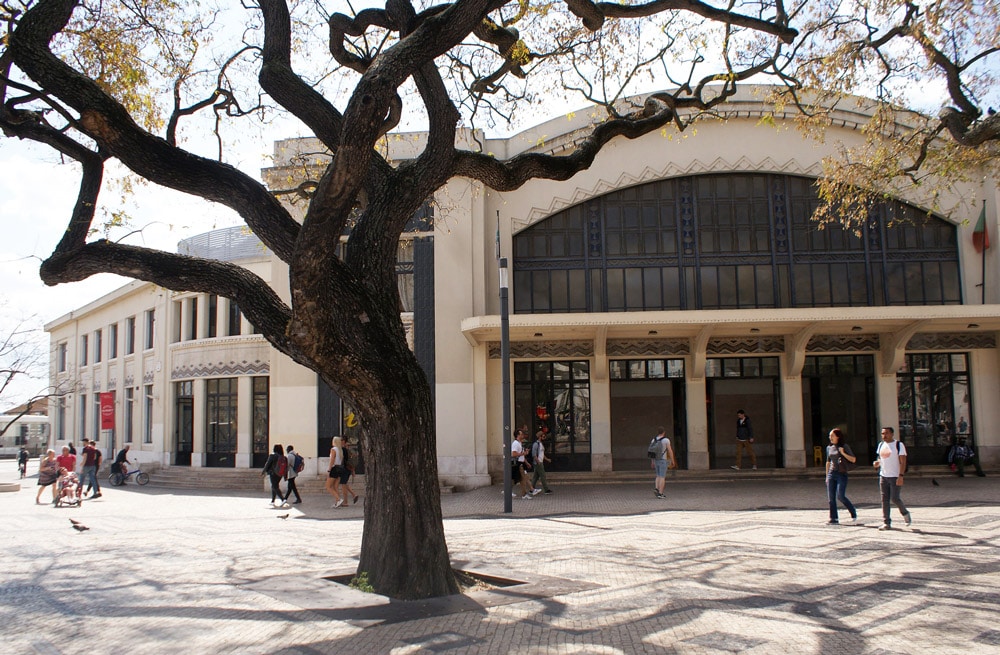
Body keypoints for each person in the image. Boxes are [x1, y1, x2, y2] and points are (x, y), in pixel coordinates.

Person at [873, 426, 912, 530]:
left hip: (895, 476)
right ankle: (886, 522)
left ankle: (905, 513)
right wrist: (877, 463)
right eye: (882, 434)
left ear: (892, 434)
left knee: (895, 498)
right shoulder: (881, 445)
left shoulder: (898, 445)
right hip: (883, 475)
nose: (884, 436)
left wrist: (901, 476)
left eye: (886, 433)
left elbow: (903, 461)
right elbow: (880, 458)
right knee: (884, 499)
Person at [825, 428, 858, 524]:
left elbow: (853, 459)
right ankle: (833, 518)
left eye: (832, 436)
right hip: (832, 473)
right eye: (829, 436)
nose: (830, 437)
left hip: (841, 473)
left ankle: (853, 512)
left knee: (840, 496)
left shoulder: (844, 446)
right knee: (831, 498)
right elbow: (828, 462)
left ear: (838, 436)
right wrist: (827, 476)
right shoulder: (829, 448)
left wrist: (843, 453)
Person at [651, 426, 676, 499]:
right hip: (662, 460)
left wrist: (652, 461)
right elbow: (670, 451)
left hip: (656, 460)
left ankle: (656, 488)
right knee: (662, 476)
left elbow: (652, 452)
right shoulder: (666, 440)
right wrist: (672, 460)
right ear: (664, 432)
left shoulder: (653, 440)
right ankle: (660, 493)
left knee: (658, 475)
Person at [529, 431, 552, 495]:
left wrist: (547, 459)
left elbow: (542, 454)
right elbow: (534, 454)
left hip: (539, 462)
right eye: (543, 436)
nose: (544, 437)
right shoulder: (536, 444)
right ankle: (546, 489)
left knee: (535, 477)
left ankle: (531, 489)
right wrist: (538, 461)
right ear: (540, 437)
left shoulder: (541, 444)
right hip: (538, 463)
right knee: (543, 476)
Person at [511, 429, 532, 499]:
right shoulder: (515, 443)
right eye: (521, 434)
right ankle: (524, 494)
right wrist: (523, 453)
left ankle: (508, 490)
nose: (522, 435)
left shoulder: (520, 443)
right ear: (517, 435)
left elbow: (521, 454)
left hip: (521, 463)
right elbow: (513, 454)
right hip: (518, 463)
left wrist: (526, 460)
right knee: (522, 479)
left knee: (520, 479)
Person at [326, 436, 346, 508]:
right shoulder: (340, 450)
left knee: (328, 486)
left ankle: (338, 499)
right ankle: (337, 502)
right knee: (335, 487)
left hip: (334, 468)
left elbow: (332, 460)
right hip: (339, 468)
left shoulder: (333, 449)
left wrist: (329, 470)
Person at [339, 439, 359, 505]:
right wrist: (353, 470)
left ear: (343, 442)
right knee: (344, 483)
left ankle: (346, 502)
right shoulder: (350, 451)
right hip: (348, 469)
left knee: (343, 484)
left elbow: (343, 460)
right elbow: (352, 461)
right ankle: (353, 495)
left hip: (344, 469)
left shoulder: (344, 450)